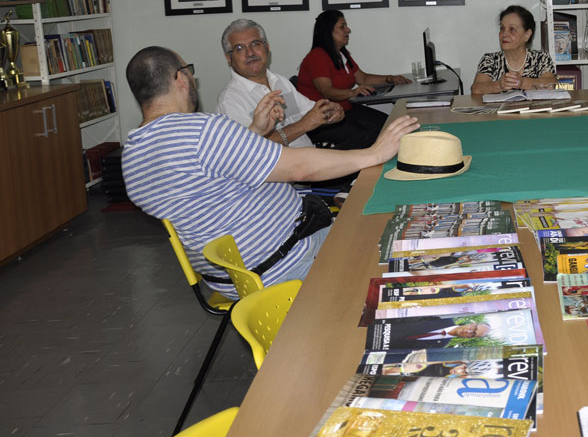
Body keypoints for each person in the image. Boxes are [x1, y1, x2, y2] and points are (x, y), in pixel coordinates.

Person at [122, 45, 418, 298]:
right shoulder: (202, 130)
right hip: (289, 260)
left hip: (234, 279)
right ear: (180, 79)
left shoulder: (132, 156)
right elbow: (300, 168)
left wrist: (253, 132)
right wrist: (375, 152)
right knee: (395, 235)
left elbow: (207, 184)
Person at [214, 19, 345, 149]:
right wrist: (304, 125)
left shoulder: (280, 81)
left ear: (267, 47)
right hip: (280, 168)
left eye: (255, 44)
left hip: (308, 157)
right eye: (240, 48)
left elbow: (310, 112)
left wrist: (331, 112)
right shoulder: (230, 101)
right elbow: (250, 147)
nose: (250, 53)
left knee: (362, 149)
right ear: (228, 58)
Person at [297, 9, 411, 149]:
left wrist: (390, 78)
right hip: (325, 119)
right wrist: (353, 92)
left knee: (388, 124)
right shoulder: (317, 57)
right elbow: (326, 91)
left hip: (345, 109)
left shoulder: (340, 54)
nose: (348, 30)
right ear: (328, 31)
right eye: (342, 26)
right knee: (373, 134)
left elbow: (363, 78)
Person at [470, 5, 558, 95]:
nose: (504, 34)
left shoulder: (541, 58)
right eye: (502, 28)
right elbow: (476, 89)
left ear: (527, 35)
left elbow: (551, 85)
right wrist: (500, 85)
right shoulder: (490, 60)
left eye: (512, 29)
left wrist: (522, 83)